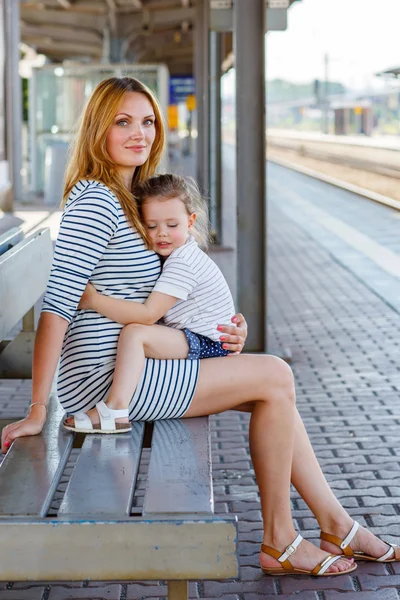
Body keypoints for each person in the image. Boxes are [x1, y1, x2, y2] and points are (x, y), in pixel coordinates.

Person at [1, 77, 399, 577]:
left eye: (147, 121)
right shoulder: (96, 203)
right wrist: (39, 410)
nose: (139, 133)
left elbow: (163, 296)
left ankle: (333, 523)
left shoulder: (131, 198)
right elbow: (57, 309)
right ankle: (281, 539)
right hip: (107, 383)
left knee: (272, 385)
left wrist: (224, 328)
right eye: (123, 121)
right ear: (98, 128)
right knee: (274, 377)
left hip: (136, 362)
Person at [71, 173, 236, 434]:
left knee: (136, 333)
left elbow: (148, 314)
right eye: (151, 226)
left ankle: (115, 408)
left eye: (172, 225)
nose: (162, 234)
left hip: (208, 342)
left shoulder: (183, 262)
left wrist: (94, 300)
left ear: (191, 221)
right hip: (199, 337)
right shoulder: (178, 254)